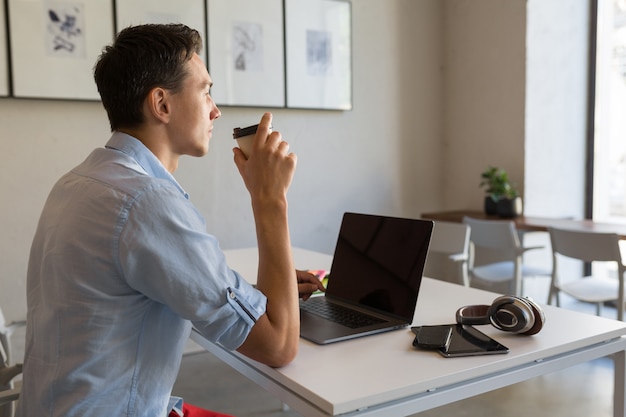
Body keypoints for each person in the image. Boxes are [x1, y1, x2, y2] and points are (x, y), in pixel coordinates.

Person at [15, 23, 324, 417]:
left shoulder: (79, 181)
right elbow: (278, 346)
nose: (216, 109)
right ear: (161, 104)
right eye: (206, 90)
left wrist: (252, 292)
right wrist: (270, 199)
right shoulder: (147, 202)